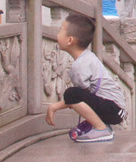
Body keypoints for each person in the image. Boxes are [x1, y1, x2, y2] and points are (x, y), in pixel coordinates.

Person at [45, 13, 126, 143]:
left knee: (71, 93)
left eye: (60, 31)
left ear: (70, 40)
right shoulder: (88, 57)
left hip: (113, 109)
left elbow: (77, 98)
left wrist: (54, 107)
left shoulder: (80, 66)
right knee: (74, 95)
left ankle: (100, 128)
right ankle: (100, 126)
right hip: (116, 109)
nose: (57, 35)